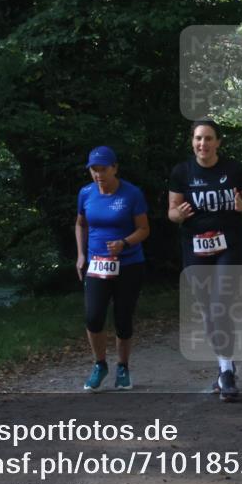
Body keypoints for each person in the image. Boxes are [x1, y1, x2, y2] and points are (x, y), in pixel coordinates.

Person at [168, 119, 242, 401]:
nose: (203, 144)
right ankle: (226, 362)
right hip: (195, 247)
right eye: (198, 138)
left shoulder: (234, 170)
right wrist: (179, 215)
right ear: (192, 142)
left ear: (218, 142)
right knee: (209, 310)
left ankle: (226, 372)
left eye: (209, 138)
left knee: (220, 304)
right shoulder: (182, 172)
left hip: (228, 246)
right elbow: (171, 211)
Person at [75, 146, 150, 391]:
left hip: (128, 263)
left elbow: (144, 229)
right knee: (93, 317)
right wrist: (81, 254)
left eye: (103, 169)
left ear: (114, 168)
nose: (98, 175)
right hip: (97, 264)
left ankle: (123, 367)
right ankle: (99, 365)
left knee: (122, 318)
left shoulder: (132, 194)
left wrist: (124, 242)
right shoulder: (85, 193)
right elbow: (81, 224)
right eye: (94, 170)